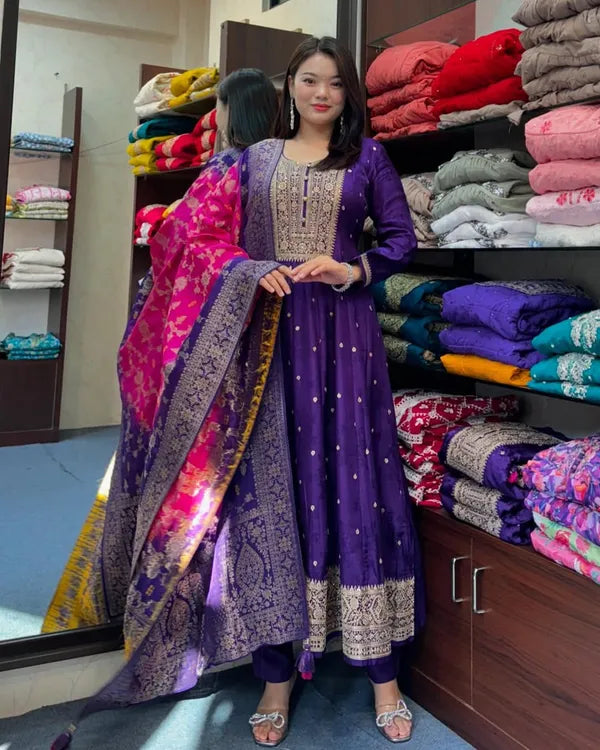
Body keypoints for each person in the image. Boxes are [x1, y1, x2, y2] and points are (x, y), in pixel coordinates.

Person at [49, 39, 423, 750]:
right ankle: (275, 678)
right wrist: (247, 268)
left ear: (348, 94)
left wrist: (352, 270)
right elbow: (186, 238)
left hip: (346, 342)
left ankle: (383, 676)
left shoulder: (368, 160)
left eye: (334, 83)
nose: (321, 93)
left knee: (355, 485)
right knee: (269, 497)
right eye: (309, 80)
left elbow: (401, 240)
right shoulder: (251, 162)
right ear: (290, 88)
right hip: (267, 345)